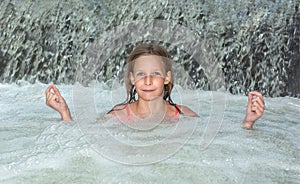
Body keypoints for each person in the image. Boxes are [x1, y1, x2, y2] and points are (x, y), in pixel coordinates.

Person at [45, 43, 265, 128]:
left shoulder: (183, 115)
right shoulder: (120, 115)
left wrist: (248, 122)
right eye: (141, 74)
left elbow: (222, 141)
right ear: (131, 79)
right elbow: (83, 137)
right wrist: (64, 112)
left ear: (167, 78)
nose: (148, 81)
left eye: (155, 74)